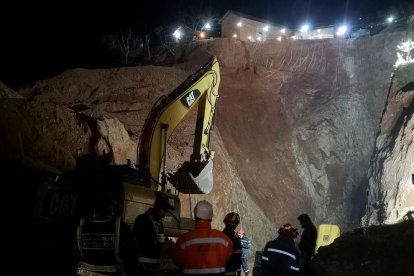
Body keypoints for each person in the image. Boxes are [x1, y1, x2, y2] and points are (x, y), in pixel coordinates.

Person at [75, 192, 137, 276]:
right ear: (111, 208)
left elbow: (75, 254)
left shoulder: (82, 225)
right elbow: (130, 254)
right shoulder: (120, 226)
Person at [170, 200, 233, 275]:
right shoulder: (224, 240)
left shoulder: (184, 240)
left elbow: (176, 259)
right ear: (211, 218)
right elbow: (228, 256)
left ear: (195, 217)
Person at [133, 193, 175, 275]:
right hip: (143, 268)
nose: (165, 215)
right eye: (165, 211)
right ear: (159, 208)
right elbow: (143, 246)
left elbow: (160, 241)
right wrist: (163, 247)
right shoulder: (143, 220)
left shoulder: (158, 223)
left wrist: (166, 244)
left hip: (153, 267)